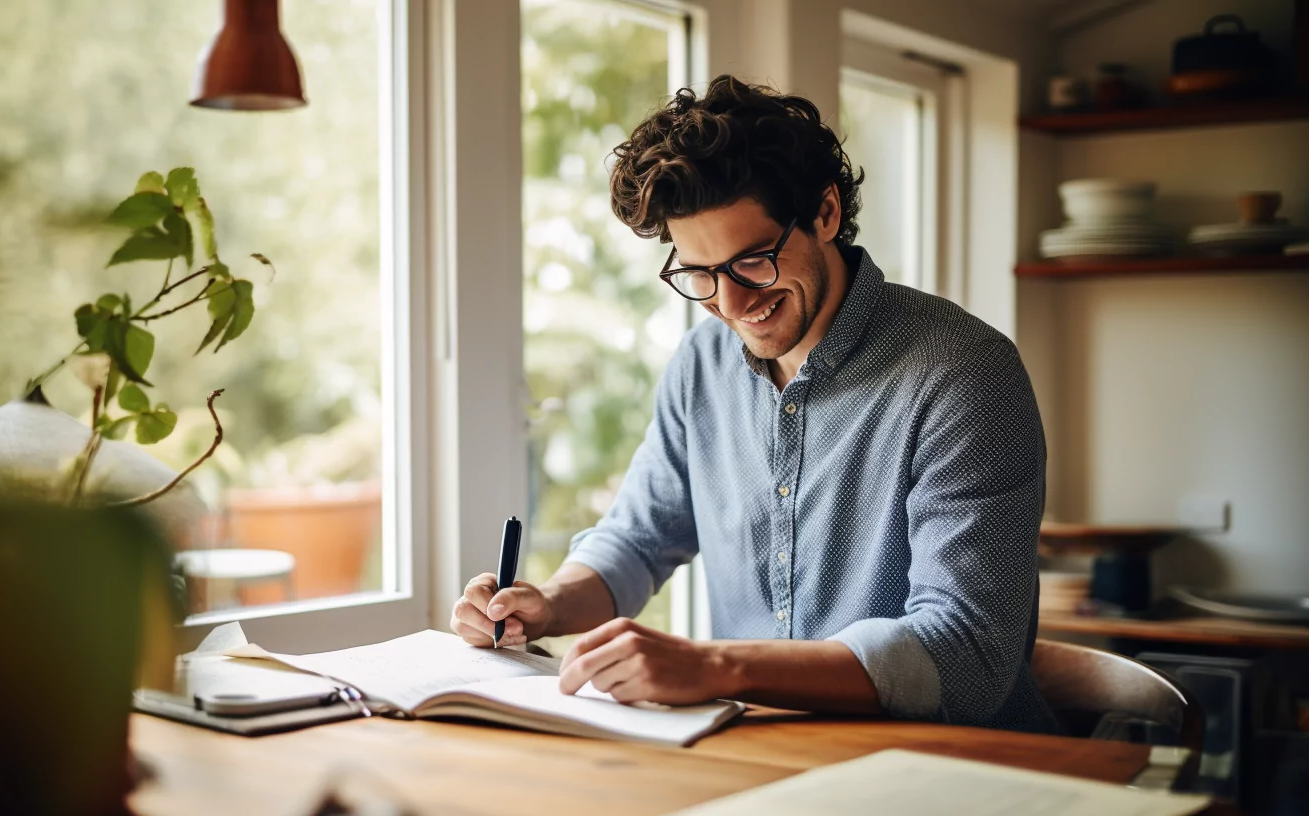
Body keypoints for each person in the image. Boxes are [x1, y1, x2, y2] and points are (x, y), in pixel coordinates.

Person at [450, 75, 1055, 733]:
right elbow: (638, 539)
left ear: (825, 213)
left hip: (950, 771)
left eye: (753, 261)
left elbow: (965, 654)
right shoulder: (701, 367)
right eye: (699, 274)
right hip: (761, 754)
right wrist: (546, 602)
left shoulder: (964, 374)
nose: (731, 305)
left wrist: (716, 667)